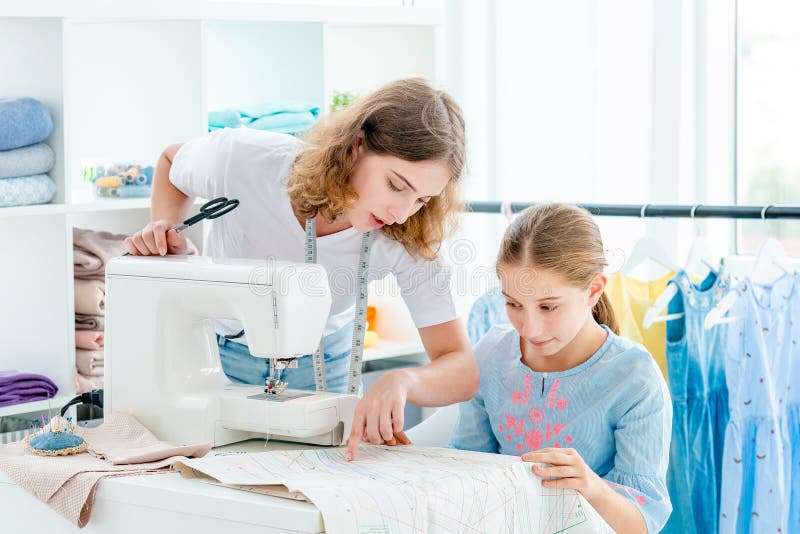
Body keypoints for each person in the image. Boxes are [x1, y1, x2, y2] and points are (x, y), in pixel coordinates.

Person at [124, 78, 478, 460]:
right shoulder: (245, 160)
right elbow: (171, 162)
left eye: (422, 199)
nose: (401, 212)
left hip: (327, 363)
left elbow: (461, 367)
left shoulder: (410, 234)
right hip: (218, 354)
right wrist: (166, 237)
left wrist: (405, 379)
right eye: (395, 185)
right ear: (356, 145)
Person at [450, 203, 672, 533]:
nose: (530, 328)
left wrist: (591, 487)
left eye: (548, 306)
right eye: (513, 304)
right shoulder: (491, 354)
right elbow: (467, 468)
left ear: (594, 290)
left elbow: (642, 525)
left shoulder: (634, 378)